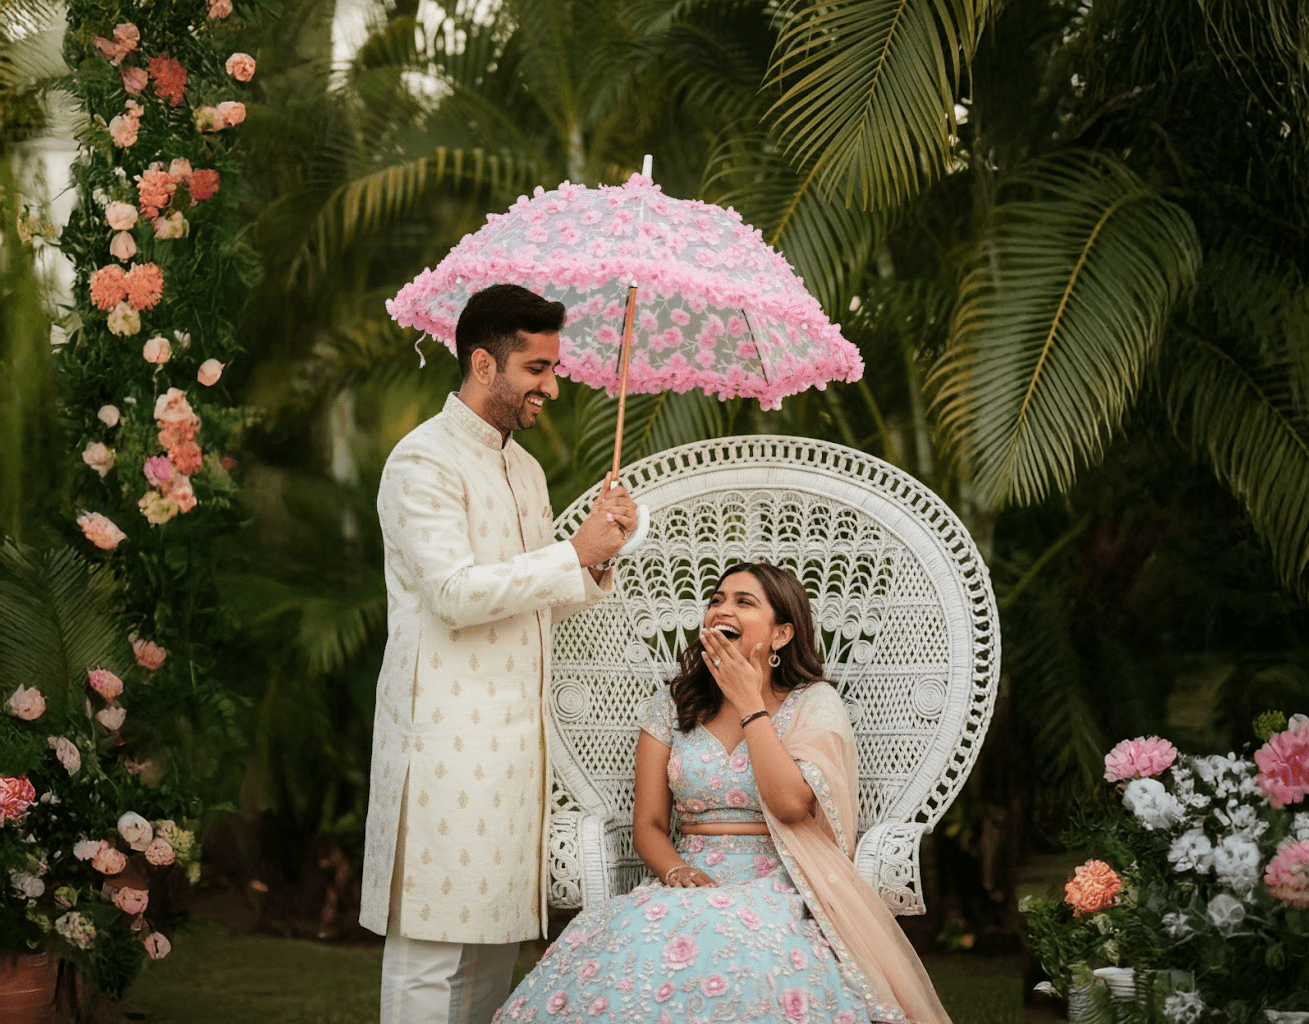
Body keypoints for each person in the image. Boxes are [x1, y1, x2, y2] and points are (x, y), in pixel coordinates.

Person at [493, 563, 953, 1024]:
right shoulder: (674, 704)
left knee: (734, 940)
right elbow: (648, 824)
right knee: (644, 940)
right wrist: (676, 871)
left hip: (782, 881)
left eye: (743, 602)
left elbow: (791, 806)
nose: (721, 610)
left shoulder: (813, 703)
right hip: (686, 879)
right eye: (716, 600)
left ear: (781, 634)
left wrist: (750, 701)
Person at [360, 283, 639, 1024]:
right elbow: (453, 593)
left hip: (518, 749)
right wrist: (571, 552)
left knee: (491, 953)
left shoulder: (526, 470)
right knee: (431, 950)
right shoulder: (423, 462)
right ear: (484, 364)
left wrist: (597, 556)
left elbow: (536, 594)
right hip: (443, 744)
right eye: (536, 369)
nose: (552, 386)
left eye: (553, 368)